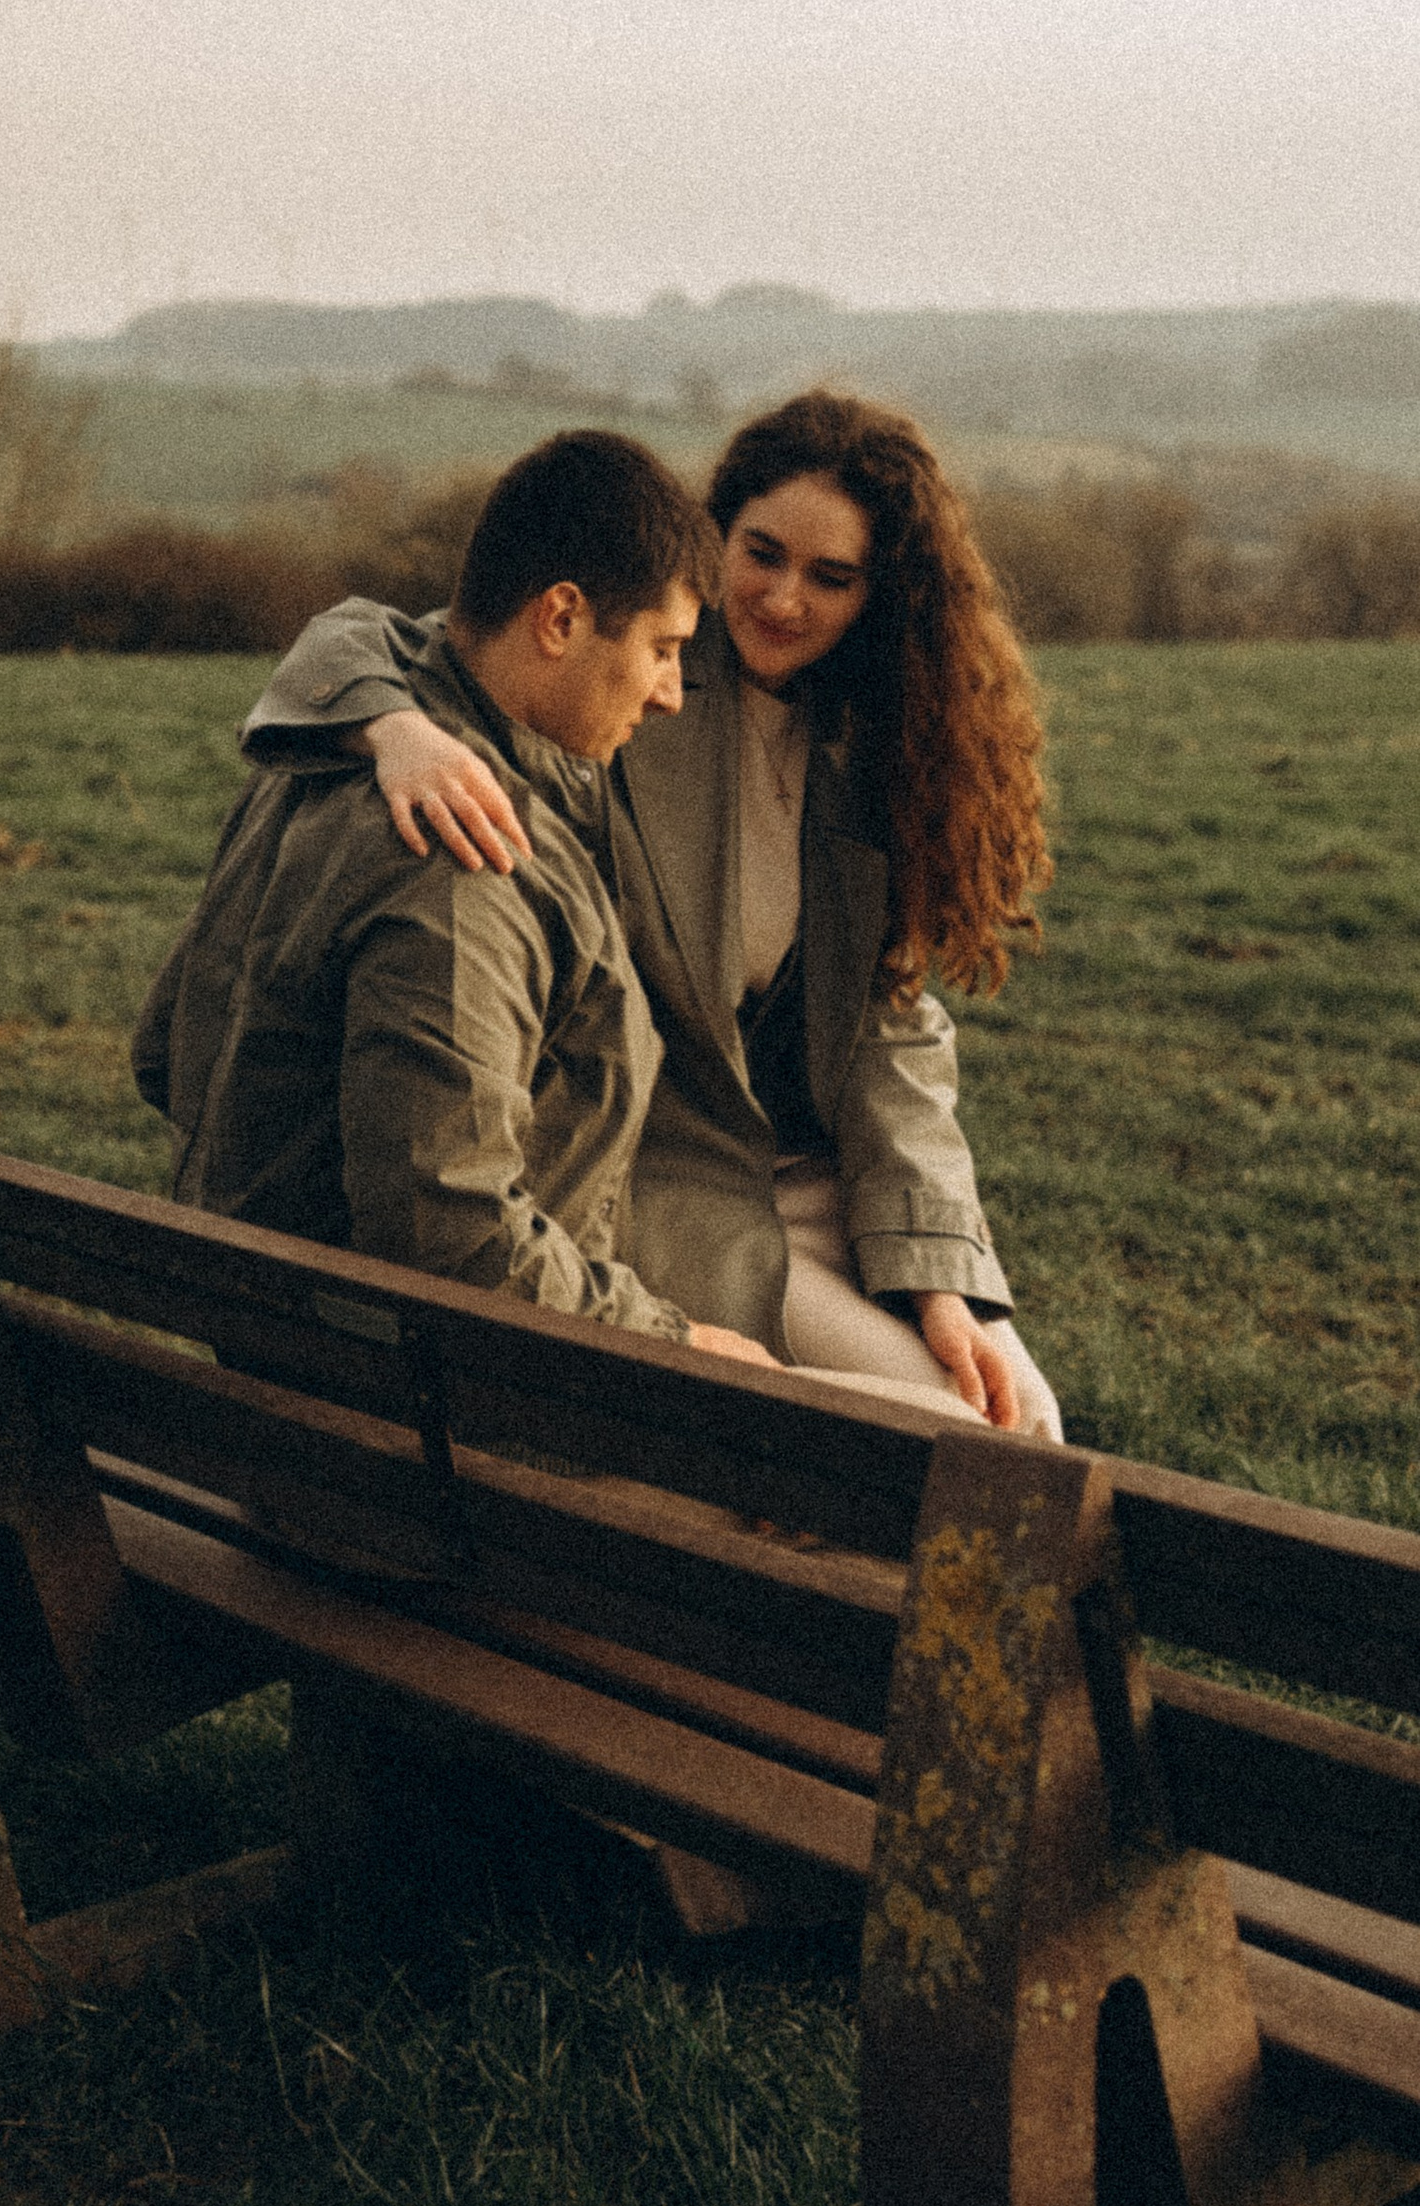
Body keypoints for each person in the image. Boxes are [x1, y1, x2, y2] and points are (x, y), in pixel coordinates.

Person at [242, 392, 1063, 1435]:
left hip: (807, 1167)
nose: (780, 599)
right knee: (934, 1449)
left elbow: (888, 1024)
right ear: (716, 533)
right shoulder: (633, 662)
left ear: (880, 593)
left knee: (1018, 1415)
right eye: (759, 554)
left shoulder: (883, 744)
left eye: (830, 577)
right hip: (650, 1165)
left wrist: (938, 1275)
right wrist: (392, 730)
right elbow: (375, 637)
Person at [133, 432, 771, 1357]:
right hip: (440, 1421)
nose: (673, 692)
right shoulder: (463, 857)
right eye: (665, 649)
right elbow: (456, 1241)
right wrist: (678, 1343)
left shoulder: (317, 755)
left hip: (274, 1358)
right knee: (915, 1460)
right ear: (559, 619)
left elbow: (164, 1052)